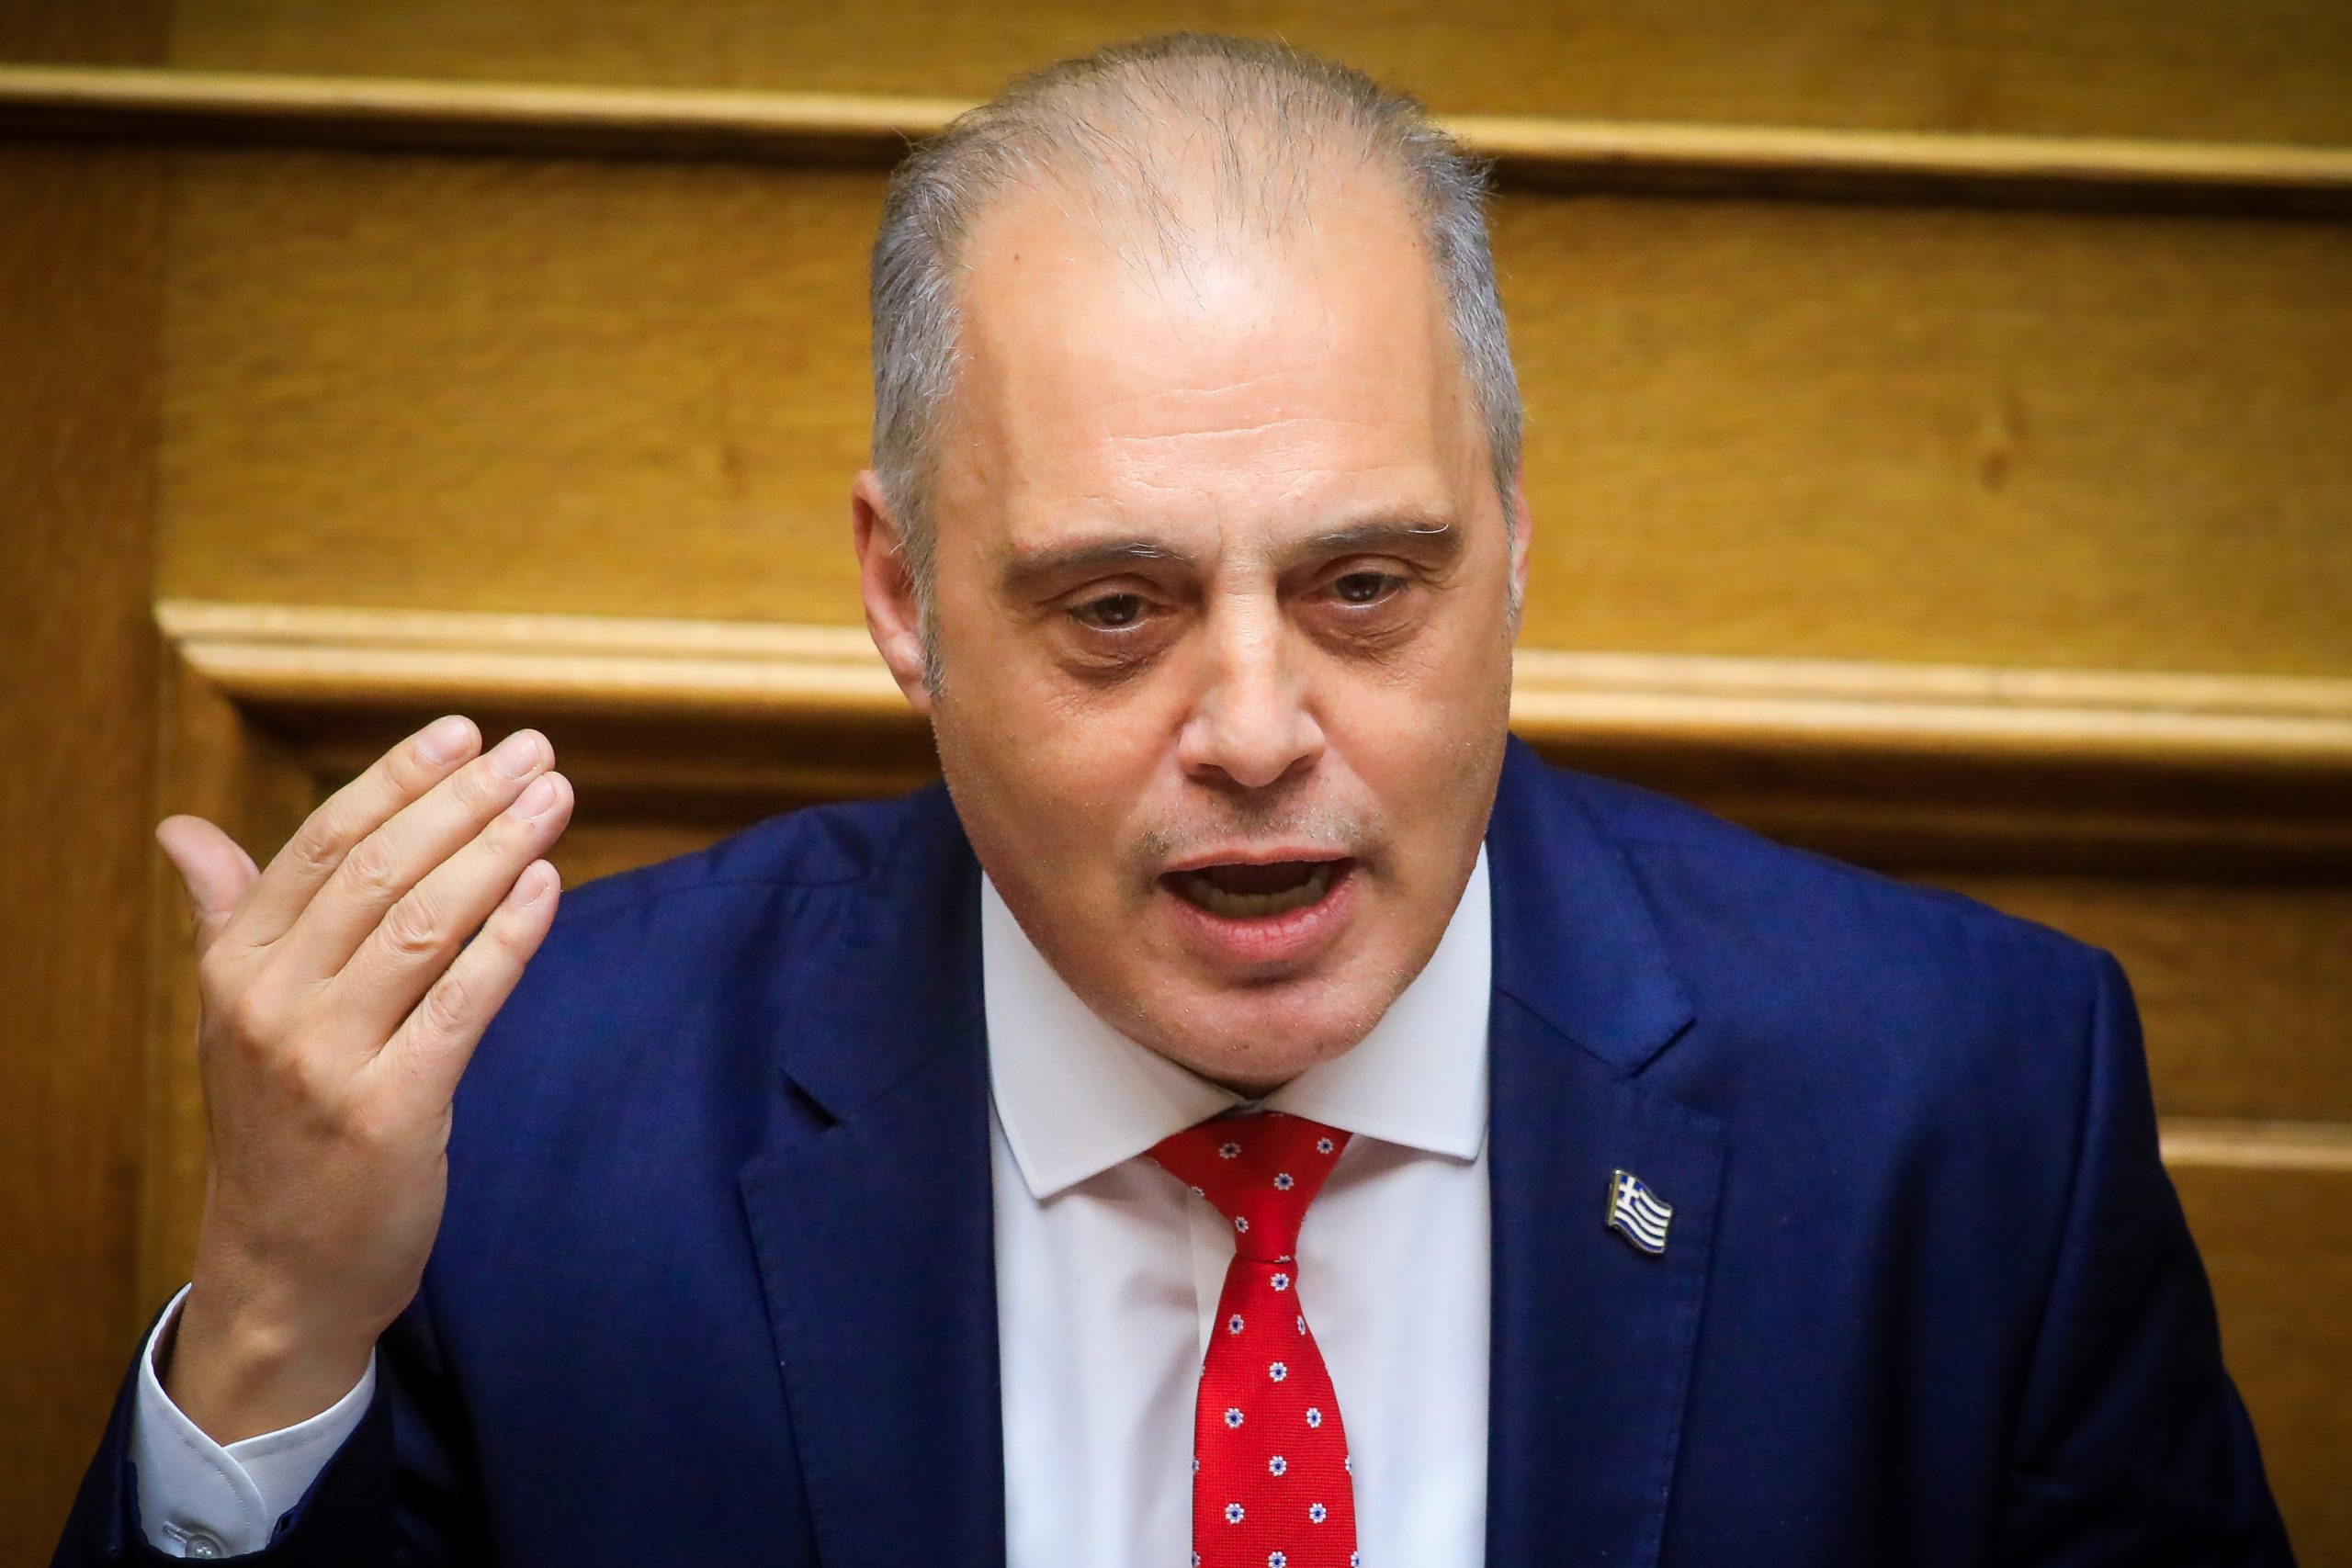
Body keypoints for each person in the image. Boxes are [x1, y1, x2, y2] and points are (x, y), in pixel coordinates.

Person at [56, 33, 2290, 1568]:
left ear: (1513, 537)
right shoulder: (523, 1124)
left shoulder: (1963, 1112)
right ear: (903, 592)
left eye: (1363, 585)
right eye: (1112, 608)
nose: (1251, 725)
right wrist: (275, 1325)